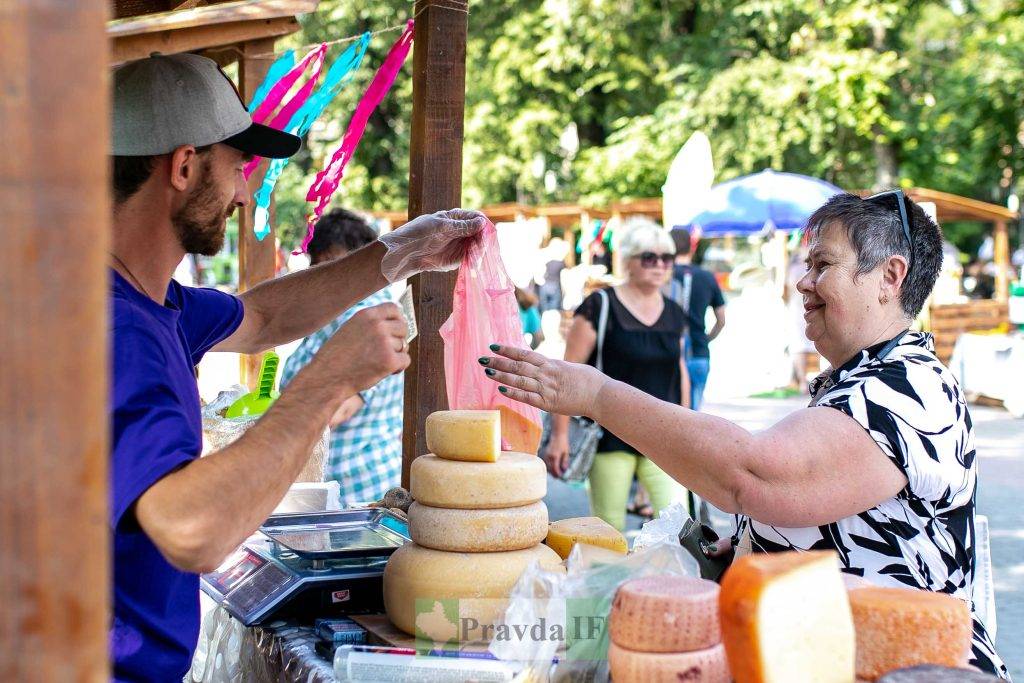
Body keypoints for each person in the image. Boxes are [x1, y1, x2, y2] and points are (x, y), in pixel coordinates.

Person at [481, 192, 1007, 677]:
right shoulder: (873, 377)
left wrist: (597, 396)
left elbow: (755, 475)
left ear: (891, 277)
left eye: (823, 265)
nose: (803, 282)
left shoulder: (907, 388)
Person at [108, 53, 486, 681]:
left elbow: (262, 318)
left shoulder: (152, 302)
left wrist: (397, 255)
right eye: (238, 168)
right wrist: (328, 381)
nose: (245, 192)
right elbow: (190, 530)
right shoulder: (113, 327)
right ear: (182, 166)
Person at [539, 225, 688, 531]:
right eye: (649, 257)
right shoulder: (601, 305)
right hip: (610, 434)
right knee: (609, 533)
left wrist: (688, 424)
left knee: (679, 528)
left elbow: (680, 369)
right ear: (629, 261)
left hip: (666, 433)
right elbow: (569, 373)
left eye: (666, 258)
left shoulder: (674, 311)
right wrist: (560, 435)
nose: (660, 265)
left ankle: (669, 581)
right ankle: (609, 581)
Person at [279, 209, 404, 505]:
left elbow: (336, 411)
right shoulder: (335, 312)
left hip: (355, 491)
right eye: (317, 265)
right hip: (344, 484)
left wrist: (262, 427)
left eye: (332, 264)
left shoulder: (365, 316)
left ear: (362, 262)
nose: (322, 276)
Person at [668, 228, 725, 410]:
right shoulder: (707, 277)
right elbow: (721, 320)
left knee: (670, 416)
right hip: (699, 351)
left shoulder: (663, 276)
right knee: (693, 417)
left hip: (670, 352)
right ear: (691, 248)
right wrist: (706, 338)